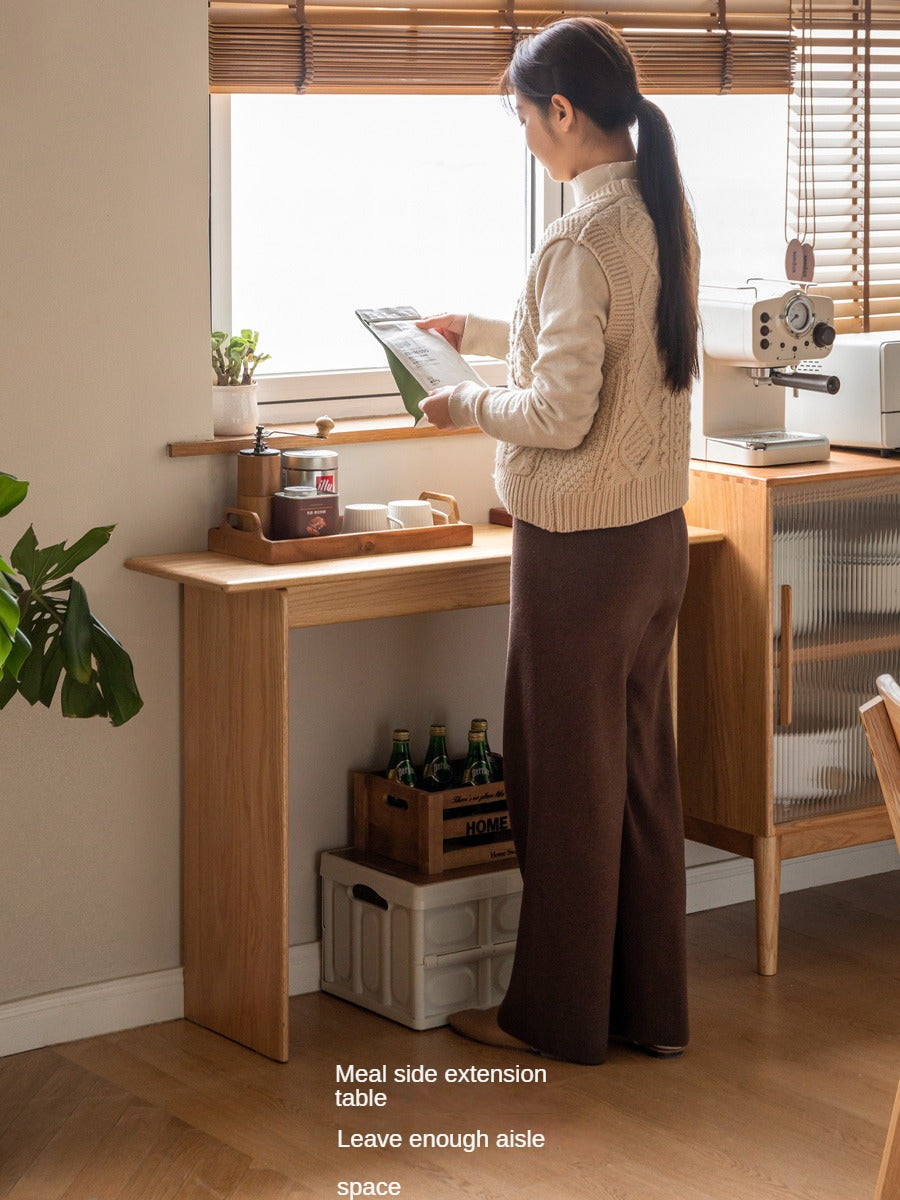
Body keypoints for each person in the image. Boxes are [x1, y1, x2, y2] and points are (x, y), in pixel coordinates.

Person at [417, 15, 700, 1065]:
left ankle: (554, 1018)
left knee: (560, 787)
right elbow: (599, 345)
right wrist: (482, 337)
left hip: (580, 547)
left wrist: (462, 402)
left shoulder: (579, 236)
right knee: (632, 781)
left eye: (529, 120)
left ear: (565, 112)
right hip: (655, 538)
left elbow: (560, 413)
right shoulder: (658, 215)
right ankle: (649, 1014)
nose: (529, 139)